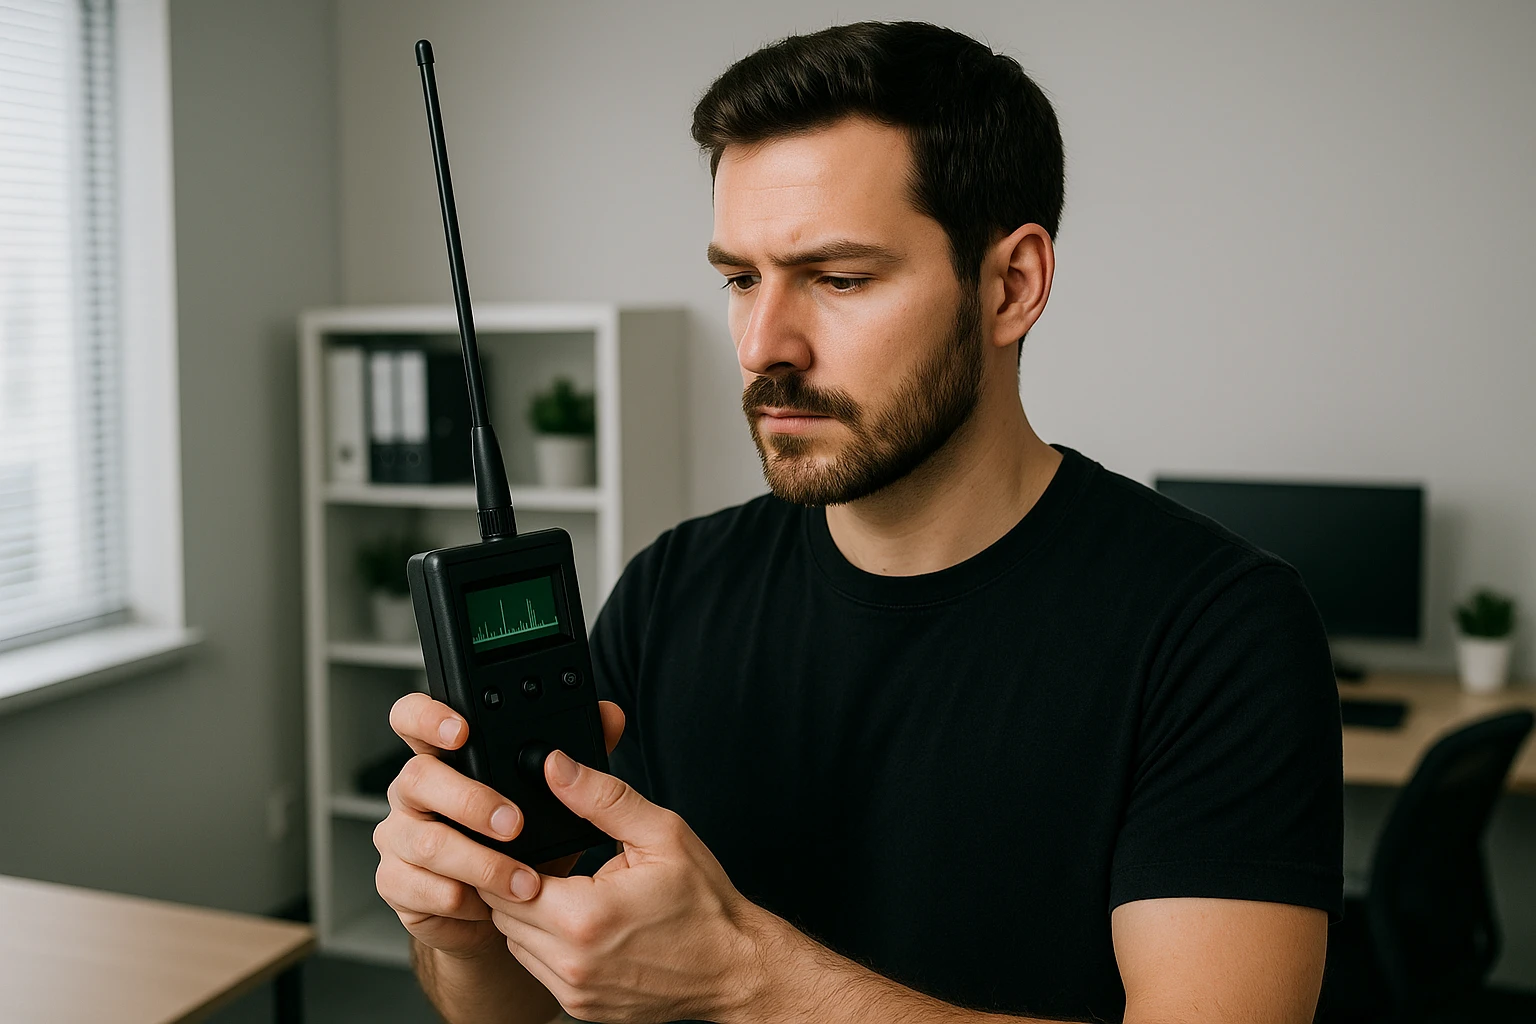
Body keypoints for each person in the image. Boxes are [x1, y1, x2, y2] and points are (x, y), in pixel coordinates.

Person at [374, 20, 1342, 1024]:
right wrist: (467, 931)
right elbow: (525, 1012)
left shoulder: (1219, 628)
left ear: (1011, 285)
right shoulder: (671, 590)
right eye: (741, 279)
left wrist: (750, 976)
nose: (761, 344)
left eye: (838, 279)